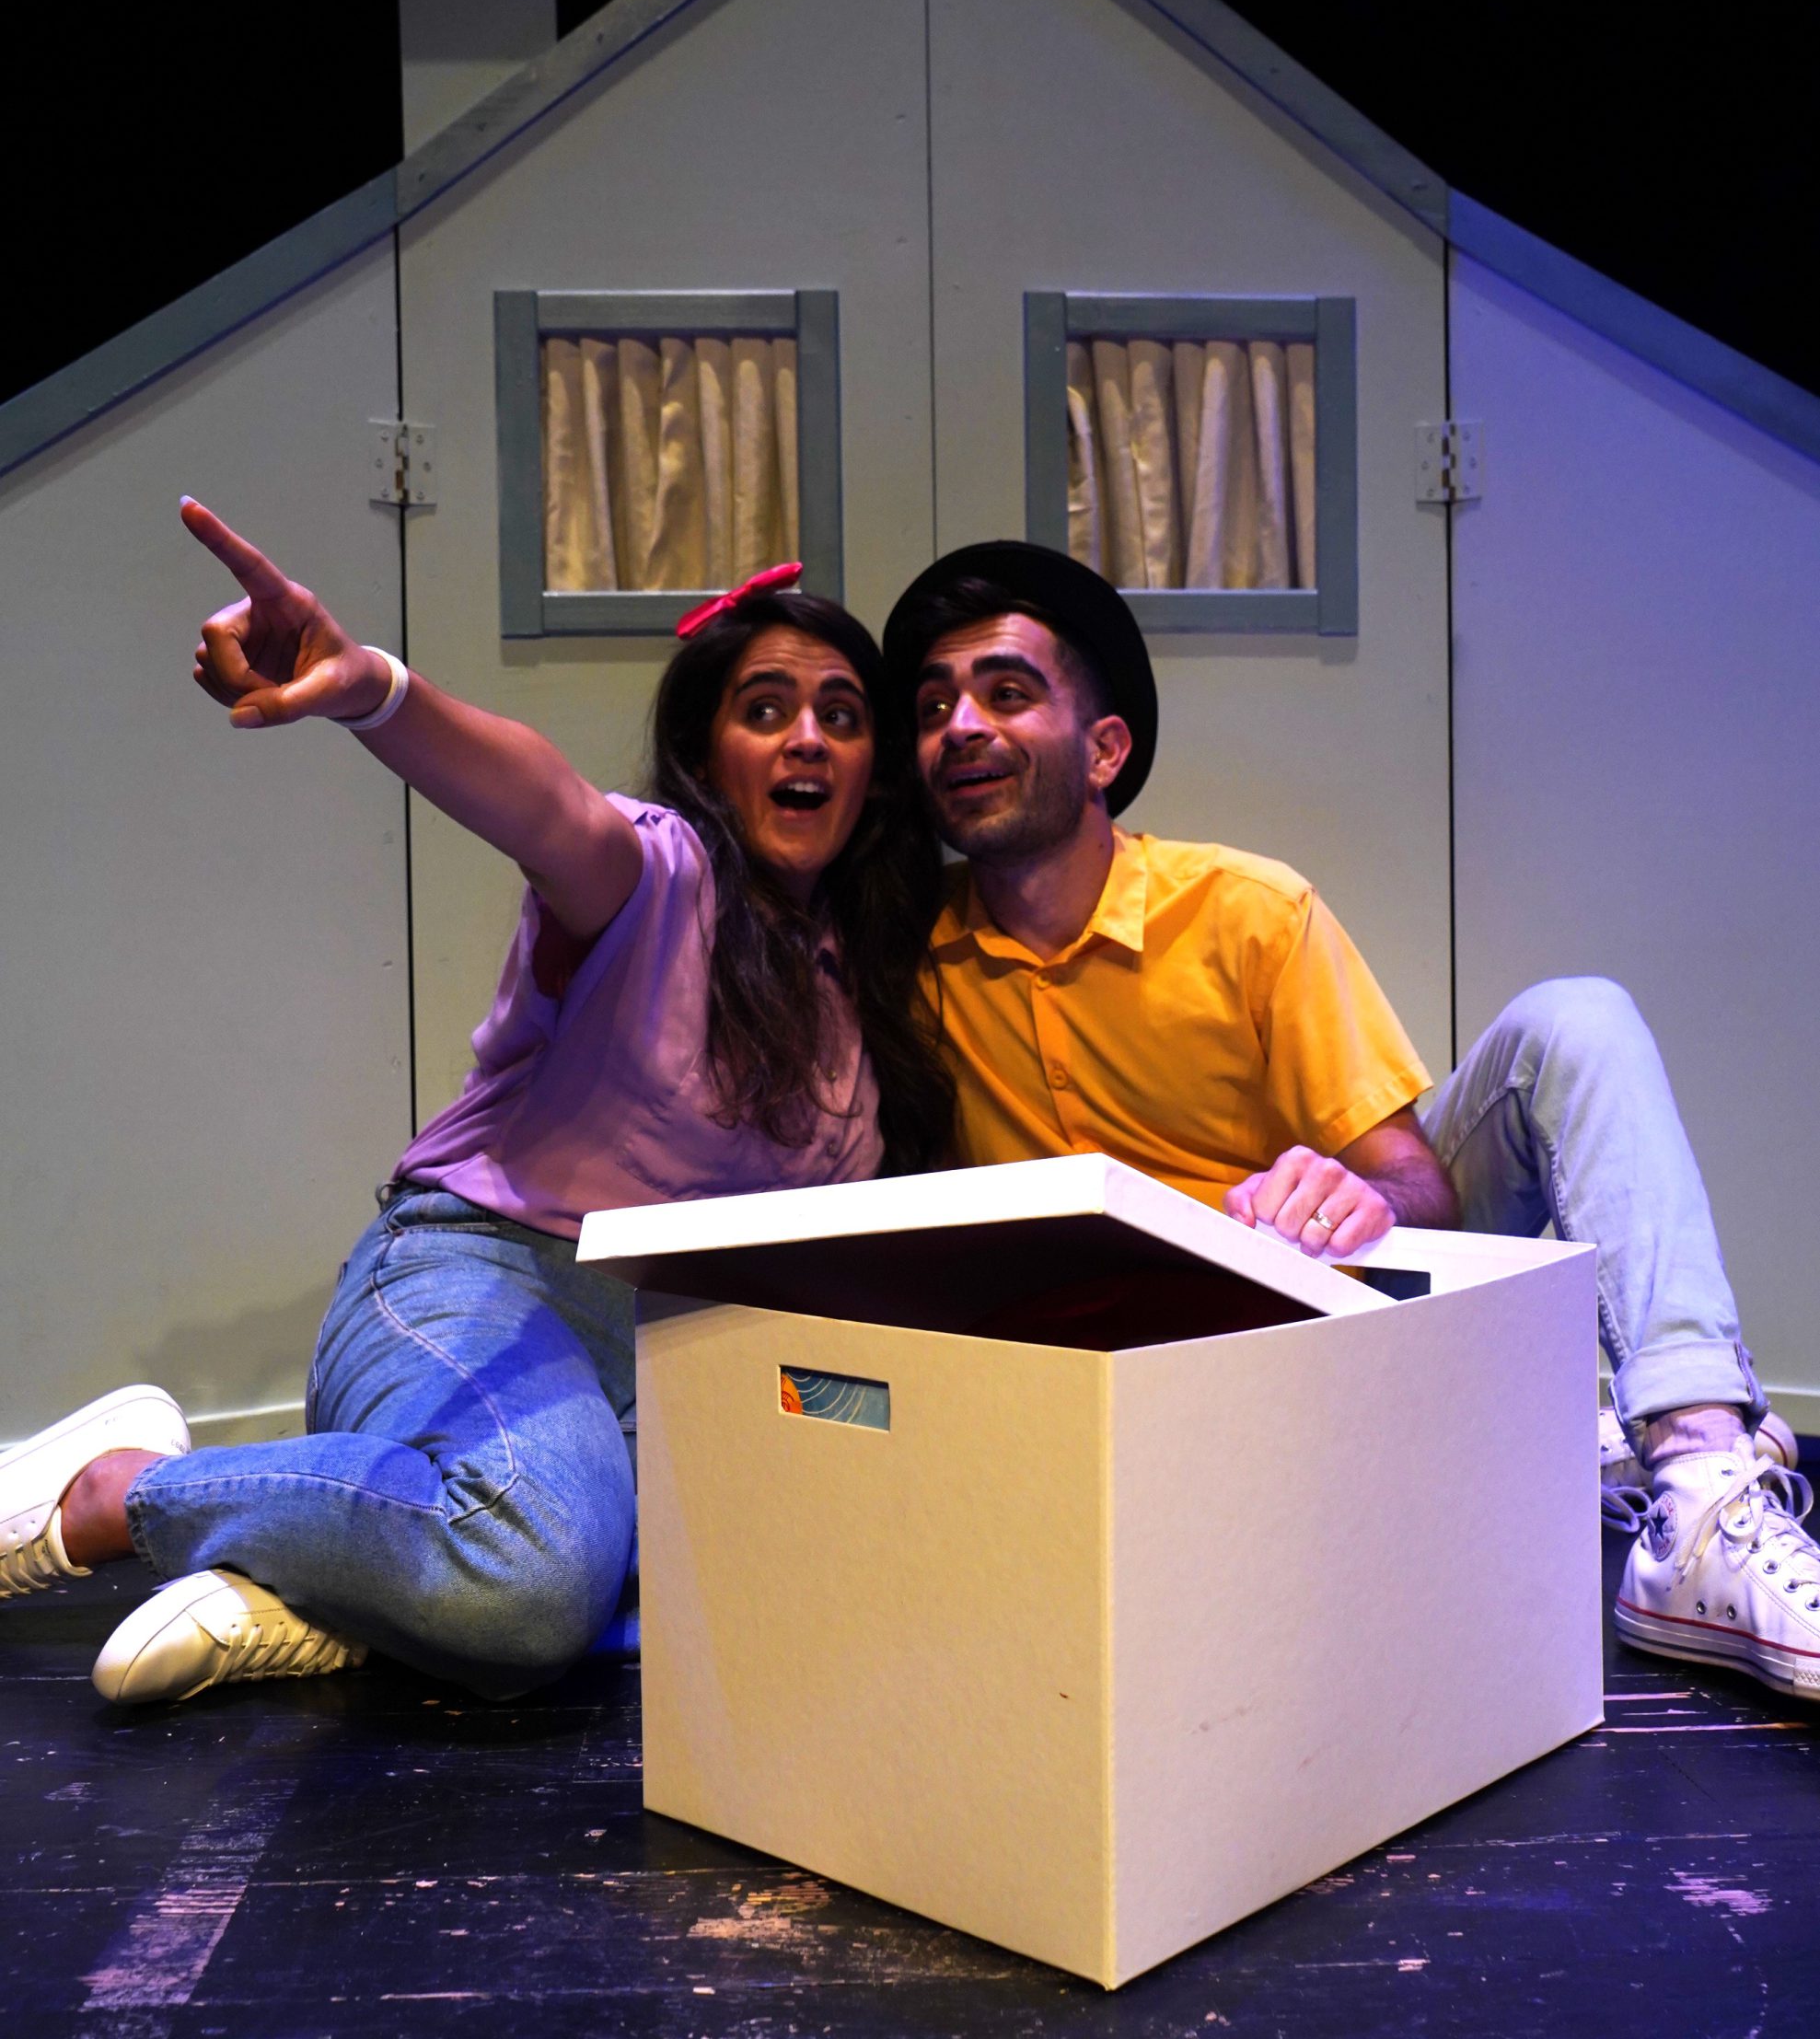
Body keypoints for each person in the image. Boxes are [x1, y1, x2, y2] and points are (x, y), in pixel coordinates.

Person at [0, 503, 952, 1706]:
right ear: (707, 752)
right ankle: (120, 1489)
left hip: (667, 1355)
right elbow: (546, 807)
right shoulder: (661, 874)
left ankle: (325, 1596)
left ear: (873, 773)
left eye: (841, 716)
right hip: (484, 1285)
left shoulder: (863, 990)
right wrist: (373, 690)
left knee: (827, 1548)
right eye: (764, 710)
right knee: (533, 1580)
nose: (806, 738)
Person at [883, 539, 1820, 1702]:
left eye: (1006, 691)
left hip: (1310, 1307)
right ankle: (1559, 1444)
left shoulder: (1246, 912)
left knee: (1577, 1020)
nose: (961, 726)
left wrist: (1350, 1193)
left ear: (1105, 750)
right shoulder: (899, 960)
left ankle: (1700, 1482)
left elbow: (1422, 1190)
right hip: (1122, 1396)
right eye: (933, 706)